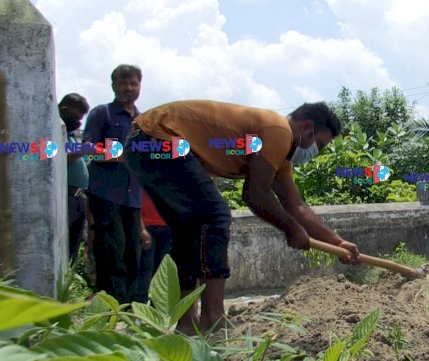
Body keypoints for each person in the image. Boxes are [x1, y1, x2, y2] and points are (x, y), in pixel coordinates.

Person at [123, 100, 361, 334]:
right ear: (306, 128)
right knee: (214, 216)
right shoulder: (278, 130)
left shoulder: (280, 157)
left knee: (188, 233)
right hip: (157, 138)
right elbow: (255, 194)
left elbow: (297, 207)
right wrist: (290, 229)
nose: (315, 153)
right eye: (318, 145)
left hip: (141, 145)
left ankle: (187, 325)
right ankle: (213, 320)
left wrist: (337, 242)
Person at [83, 64, 145, 303]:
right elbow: (88, 147)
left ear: (140, 86)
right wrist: (116, 155)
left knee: (133, 255)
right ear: (114, 86)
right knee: (111, 253)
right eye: (124, 83)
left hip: (133, 197)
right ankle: (111, 308)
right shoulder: (102, 113)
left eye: (133, 83)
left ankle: (128, 307)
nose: (129, 88)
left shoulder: (143, 120)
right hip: (107, 194)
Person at [60, 93, 90, 262]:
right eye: (76, 118)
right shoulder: (57, 132)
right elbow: (61, 156)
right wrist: (84, 150)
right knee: (65, 244)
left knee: (74, 245)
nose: (78, 122)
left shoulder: (70, 134)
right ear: (63, 110)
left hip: (79, 197)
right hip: (68, 196)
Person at [135, 191, 172, 303]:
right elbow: (135, 206)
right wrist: (142, 230)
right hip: (147, 227)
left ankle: (158, 304)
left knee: (163, 268)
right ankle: (140, 302)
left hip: (167, 228)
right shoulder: (142, 181)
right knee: (145, 267)